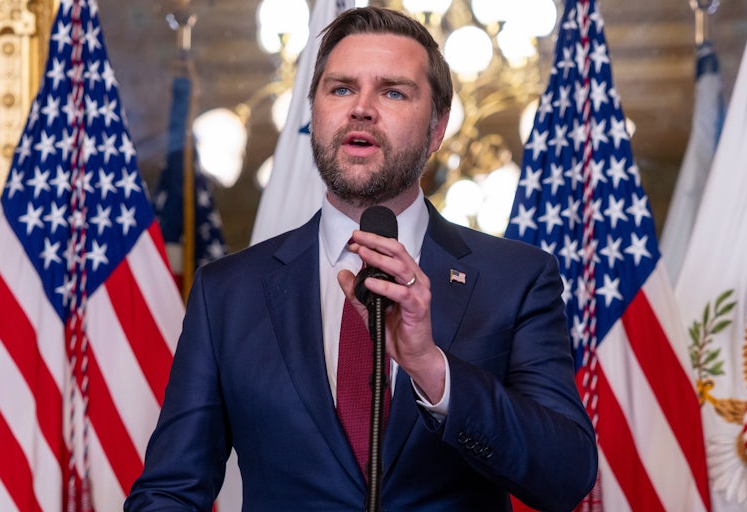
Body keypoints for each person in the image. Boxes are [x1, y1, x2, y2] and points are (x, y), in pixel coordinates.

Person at [125, 6, 597, 511]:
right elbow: (170, 491)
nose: (362, 109)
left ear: (437, 129)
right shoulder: (227, 293)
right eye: (341, 88)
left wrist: (431, 368)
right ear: (314, 114)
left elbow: (565, 475)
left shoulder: (517, 279)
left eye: (393, 92)